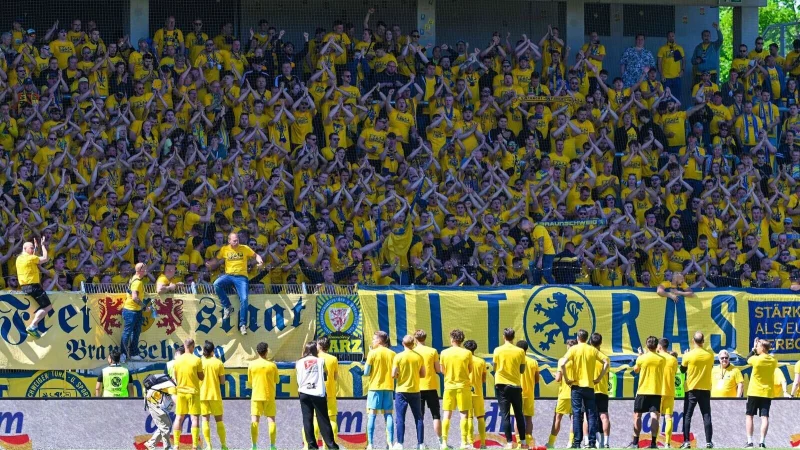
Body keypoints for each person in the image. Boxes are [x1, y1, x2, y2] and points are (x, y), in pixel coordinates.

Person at [206, 232, 264, 335]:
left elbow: (256, 255)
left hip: (241, 277)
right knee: (216, 284)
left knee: (244, 299)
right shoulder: (224, 249)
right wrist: (210, 263)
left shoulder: (245, 248)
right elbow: (217, 259)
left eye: (237, 240)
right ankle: (227, 306)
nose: (236, 242)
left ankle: (242, 324)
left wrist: (260, 261)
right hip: (229, 275)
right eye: (234, 241)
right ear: (229, 241)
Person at [560, 329, 609, 449]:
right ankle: (592, 442)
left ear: (578, 337)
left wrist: (566, 378)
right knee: (591, 414)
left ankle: (577, 442)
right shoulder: (592, 349)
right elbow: (606, 362)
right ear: (587, 339)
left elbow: (562, 364)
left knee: (577, 414)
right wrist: (599, 378)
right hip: (589, 386)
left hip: (576, 386)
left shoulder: (573, 349)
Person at [296, 341, 339, 450]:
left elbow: (298, 377)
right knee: (323, 420)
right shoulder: (320, 361)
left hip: (304, 392)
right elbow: (325, 375)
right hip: (318, 392)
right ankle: (331, 446)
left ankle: (311, 446)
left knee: (307, 420)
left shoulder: (299, 362)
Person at [628, 336, 665, 449]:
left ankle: (635, 443)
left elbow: (636, 370)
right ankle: (653, 443)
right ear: (657, 346)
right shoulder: (662, 359)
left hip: (642, 391)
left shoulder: (642, 358)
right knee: (654, 416)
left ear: (647, 345)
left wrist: (640, 356)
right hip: (656, 391)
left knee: (637, 416)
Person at [492, 328, 527, 449]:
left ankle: (509, 443)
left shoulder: (497, 350)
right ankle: (523, 442)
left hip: (501, 385)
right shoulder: (520, 351)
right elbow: (522, 370)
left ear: (504, 336)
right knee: (519, 414)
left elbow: (494, 368)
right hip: (516, 386)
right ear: (513, 337)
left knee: (505, 415)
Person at [680, 332, 715, 449]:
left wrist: (686, 357)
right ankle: (709, 442)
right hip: (705, 388)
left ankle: (686, 441)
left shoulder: (688, 355)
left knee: (687, 415)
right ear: (703, 341)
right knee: (706, 415)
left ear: (693, 341)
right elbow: (710, 367)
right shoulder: (710, 355)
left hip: (692, 389)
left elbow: (682, 370)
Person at [440, 329, 473, 449]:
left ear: (452, 339)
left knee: (446, 414)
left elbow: (442, 370)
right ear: (461, 340)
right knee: (464, 414)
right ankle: (463, 442)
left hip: (449, 386)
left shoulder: (444, 353)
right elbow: (470, 369)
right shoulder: (467, 353)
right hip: (463, 386)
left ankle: (444, 442)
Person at [392, 334, 425, 450]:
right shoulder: (419, 357)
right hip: (415, 390)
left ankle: (400, 443)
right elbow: (423, 374)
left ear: (403, 343)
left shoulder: (398, 356)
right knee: (419, 418)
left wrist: (399, 375)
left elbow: (393, 375)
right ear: (413, 344)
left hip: (401, 391)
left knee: (400, 418)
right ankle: (421, 444)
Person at [365, 331, 395, 450]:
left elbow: (366, 372)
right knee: (388, 414)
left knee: (372, 415)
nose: (372, 341)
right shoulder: (393, 354)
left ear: (379, 341)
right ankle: (390, 443)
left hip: (375, 387)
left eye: (374, 339)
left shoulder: (372, 353)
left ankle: (370, 444)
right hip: (388, 387)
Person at [745, 339, 777, 448]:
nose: (757, 348)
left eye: (758, 346)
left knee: (749, 416)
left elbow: (747, 358)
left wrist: (753, 350)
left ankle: (750, 442)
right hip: (766, 393)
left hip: (754, 391)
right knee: (765, 417)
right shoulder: (773, 361)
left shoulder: (756, 359)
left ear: (762, 348)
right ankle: (762, 442)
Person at [173, 338, 205, 450]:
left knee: (178, 418)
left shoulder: (177, 361)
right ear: (192, 347)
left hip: (181, 392)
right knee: (194, 419)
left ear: (184, 346)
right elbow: (201, 377)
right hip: (193, 392)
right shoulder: (197, 360)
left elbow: (175, 377)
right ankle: (194, 446)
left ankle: (176, 445)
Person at [414, 330, 443, 446]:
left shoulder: (413, 351)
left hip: (417, 387)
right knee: (436, 415)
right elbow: (438, 370)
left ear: (415, 339)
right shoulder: (433, 351)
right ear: (425, 338)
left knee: (419, 417)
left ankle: (420, 443)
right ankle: (441, 442)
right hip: (431, 386)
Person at [16, 238, 50, 338]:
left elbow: (33, 261)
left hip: (24, 287)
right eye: (31, 248)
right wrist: (42, 245)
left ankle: (34, 324)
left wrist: (35, 250)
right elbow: (45, 258)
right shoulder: (30, 258)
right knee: (47, 307)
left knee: (41, 305)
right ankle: (33, 325)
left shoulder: (19, 258)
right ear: (24, 248)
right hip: (33, 286)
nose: (32, 249)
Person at [249, 342, 278, 450]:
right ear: (267, 351)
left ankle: (254, 446)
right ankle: (272, 446)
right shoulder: (272, 365)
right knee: (271, 420)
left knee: (255, 421)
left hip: (256, 395)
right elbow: (276, 380)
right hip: (269, 395)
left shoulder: (251, 365)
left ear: (257, 352)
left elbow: (250, 381)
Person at [547, 339, 576, 448]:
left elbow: (558, 379)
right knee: (574, 419)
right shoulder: (579, 361)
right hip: (576, 393)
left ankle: (551, 443)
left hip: (564, 393)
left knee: (557, 418)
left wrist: (556, 375)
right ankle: (571, 442)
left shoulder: (562, 360)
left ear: (568, 347)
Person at [200, 340, 227, 450]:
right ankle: (223, 445)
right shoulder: (218, 363)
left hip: (202, 395)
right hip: (215, 394)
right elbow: (222, 382)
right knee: (219, 420)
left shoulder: (199, 362)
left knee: (205, 420)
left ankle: (208, 445)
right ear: (213, 350)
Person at [512, 340, 539, 446]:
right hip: (529, 393)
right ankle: (527, 443)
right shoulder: (533, 362)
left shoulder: (514, 361)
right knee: (528, 419)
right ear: (527, 349)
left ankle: (519, 443)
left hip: (516, 393)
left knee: (517, 418)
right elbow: (537, 380)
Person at [464, 339, 488, 449]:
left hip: (466, 392)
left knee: (469, 418)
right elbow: (484, 379)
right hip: (478, 392)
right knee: (480, 417)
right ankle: (483, 443)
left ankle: (470, 443)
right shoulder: (481, 361)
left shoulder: (463, 361)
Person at [122, 262, 148, 361]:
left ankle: (133, 353)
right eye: (145, 269)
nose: (147, 270)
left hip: (136, 310)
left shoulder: (134, 278)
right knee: (127, 333)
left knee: (135, 333)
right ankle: (123, 354)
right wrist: (144, 307)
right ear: (141, 270)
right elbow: (135, 298)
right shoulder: (137, 282)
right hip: (131, 311)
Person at [658, 338, 680, 447]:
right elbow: (675, 373)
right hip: (670, 390)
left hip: (658, 391)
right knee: (668, 417)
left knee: (656, 417)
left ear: (659, 346)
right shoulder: (673, 360)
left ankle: (655, 442)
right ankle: (667, 443)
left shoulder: (657, 358)